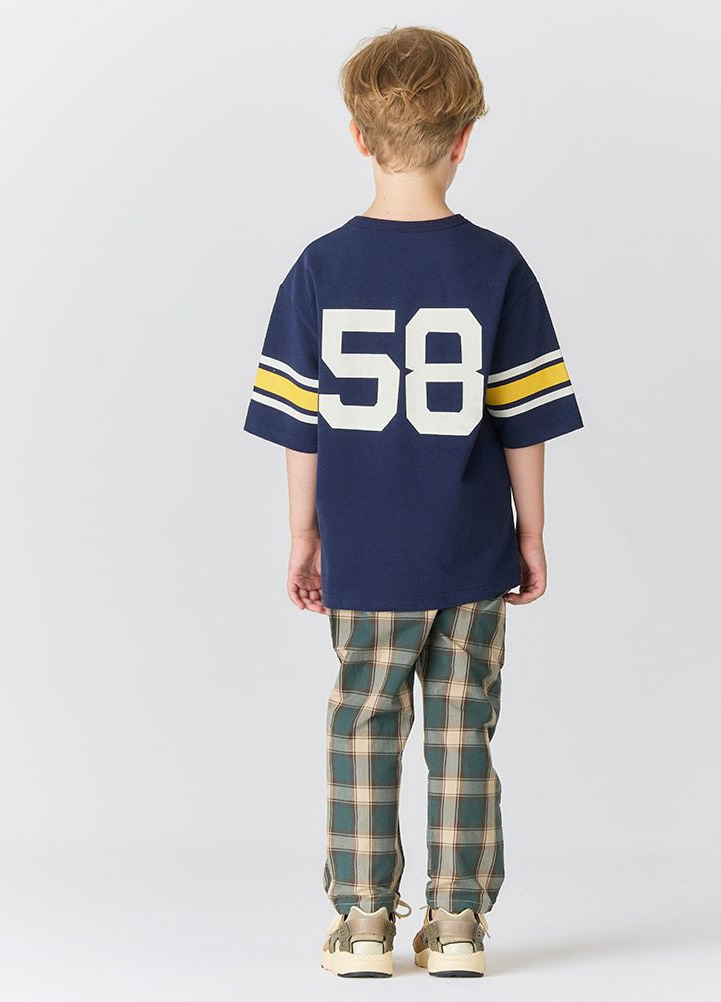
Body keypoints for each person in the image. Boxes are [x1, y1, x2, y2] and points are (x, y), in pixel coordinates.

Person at [243, 25, 583, 978]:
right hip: (470, 550)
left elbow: (301, 428)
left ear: (358, 134)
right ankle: (459, 923)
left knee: (363, 722)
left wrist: (304, 534)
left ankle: (362, 925)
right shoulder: (497, 266)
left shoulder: (320, 268)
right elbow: (524, 421)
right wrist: (532, 534)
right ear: (465, 137)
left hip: (365, 554)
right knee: (463, 729)